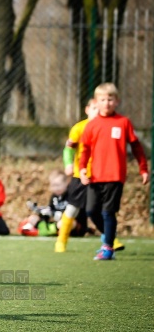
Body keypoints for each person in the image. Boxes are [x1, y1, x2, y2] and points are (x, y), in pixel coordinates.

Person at [79, 82, 149, 260]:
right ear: (97, 102)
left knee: (108, 212)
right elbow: (84, 149)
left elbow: (136, 147)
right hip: (95, 176)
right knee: (91, 211)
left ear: (116, 101)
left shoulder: (123, 122)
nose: (107, 103)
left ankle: (108, 247)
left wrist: (143, 169)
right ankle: (109, 237)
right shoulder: (92, 125)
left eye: (110, 99)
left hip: (115, 176)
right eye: (103, 99)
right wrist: (82, 170)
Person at [54, 98, 122, 252]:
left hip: (100, 176)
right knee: (72, 208)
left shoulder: (107, 128)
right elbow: (68, 148)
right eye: (94, 108)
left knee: (100, 211)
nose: (98, 111)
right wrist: (69, 163)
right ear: (87, 110)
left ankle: (110, 239)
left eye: (100, 109)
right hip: (80, 175)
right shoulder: (79, 128)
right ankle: (61, 240)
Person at [19, 170, 87, 238]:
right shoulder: (54, 197)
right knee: (32, 218)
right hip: (56, 223)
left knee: (62, 223)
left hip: (74, 225)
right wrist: (42, 212)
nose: (56, 188)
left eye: (57, 185)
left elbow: (75, 215)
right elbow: (51, 211)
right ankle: (46, 230)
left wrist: (56, 214)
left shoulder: (72, 195)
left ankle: (47, 231)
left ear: (66, 183)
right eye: (53, 185)